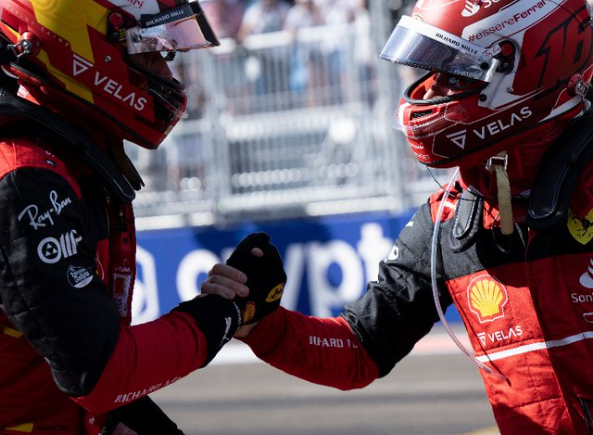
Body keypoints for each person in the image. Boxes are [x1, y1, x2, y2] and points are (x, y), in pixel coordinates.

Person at [204, 0, 594, 433]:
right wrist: (262, 326)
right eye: (433, 71)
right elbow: (358, 350)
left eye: (457, 72)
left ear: (525, 70)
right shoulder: (450, 221)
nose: (430, 91)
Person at [0, 1, 285, 434]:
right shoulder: (19, 182)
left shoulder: (63, 157)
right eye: (151, 50)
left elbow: (77, 381)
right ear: (84, 52)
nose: (167, 74)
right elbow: (101, 376)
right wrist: (224, 312)